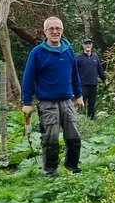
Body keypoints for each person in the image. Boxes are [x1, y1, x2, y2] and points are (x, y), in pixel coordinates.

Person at [21, 16, 84, 176]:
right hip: (47, 103)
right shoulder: (37, 53)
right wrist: (26, 102)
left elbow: (74, 74)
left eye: (58, 28)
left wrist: (79, 94)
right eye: (51, 29)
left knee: (74, 136)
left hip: (67, 101)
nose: (55, 32)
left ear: (62, 30)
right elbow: (28, 78)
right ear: (45, 32)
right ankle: (50, 171)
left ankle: (72, 168)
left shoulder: (68, 50)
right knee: (51, 138)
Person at [76, 37, 106, 119]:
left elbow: (100, 69)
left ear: (92, 45)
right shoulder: (79, 58)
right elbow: (74, 72)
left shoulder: (95, 57)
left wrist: (104, 79)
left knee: (92, 104)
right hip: (83, 85)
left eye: (89, 43)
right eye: (86, 44)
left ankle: (91, 120)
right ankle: (81, 120)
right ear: (83, 45)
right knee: (81, 103)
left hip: (93, 84)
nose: (88, 45)